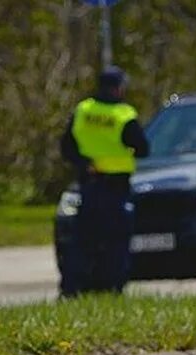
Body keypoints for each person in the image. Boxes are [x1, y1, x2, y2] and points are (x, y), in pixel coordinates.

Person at [59, 66, 150, 297]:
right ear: (119, 88)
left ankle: (71, 289)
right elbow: (143, 148)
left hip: (88, 186)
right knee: (116, 243)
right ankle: (112, 288)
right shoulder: (123, 115)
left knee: (82, 241)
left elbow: (66, 147)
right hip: (115, 189)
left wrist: (84, 162)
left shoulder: (83, 110)